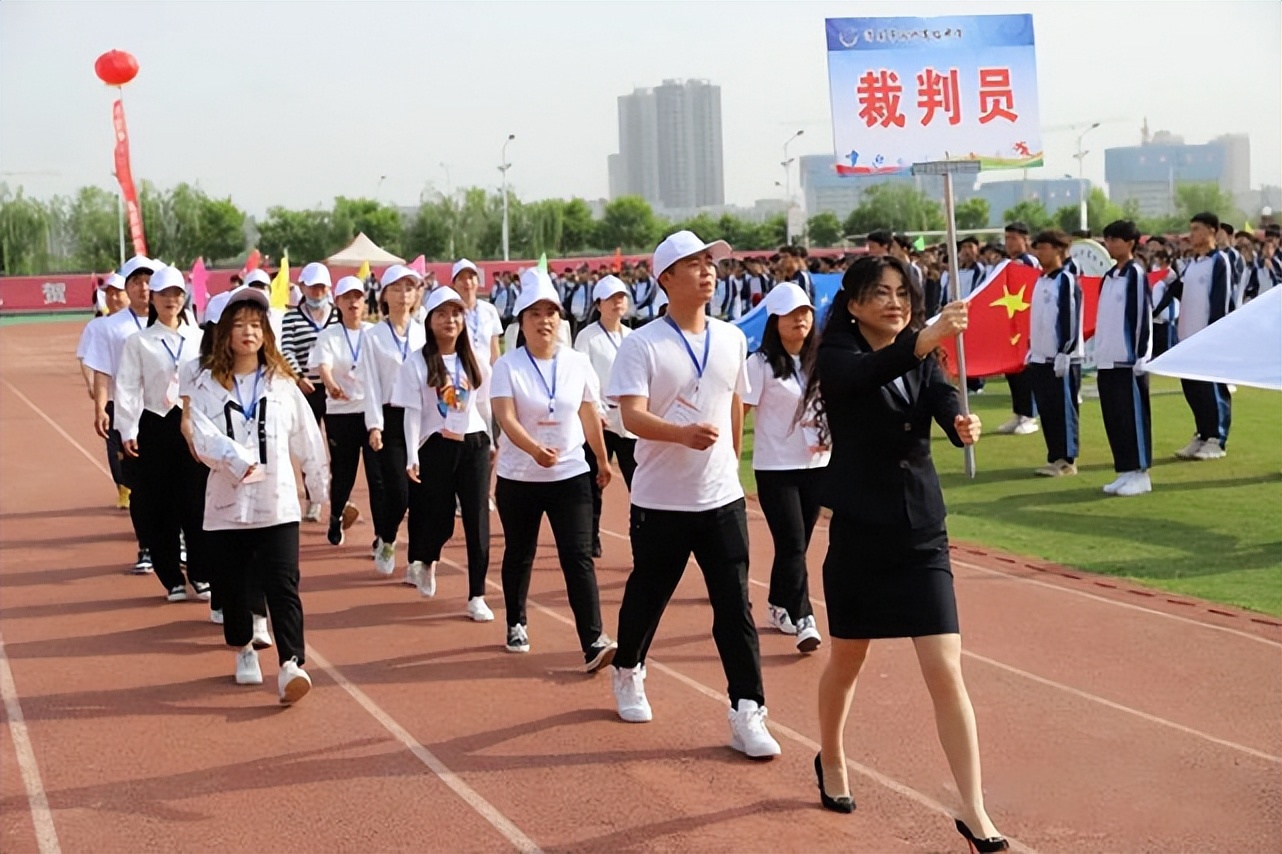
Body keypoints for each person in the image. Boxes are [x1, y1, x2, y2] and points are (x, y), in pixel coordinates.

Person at [802, 255, 1004, 853]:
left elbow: (940, 397)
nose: (895, 303)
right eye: (882, 293)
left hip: (921, 531)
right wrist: (925, 337)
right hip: (861, 531)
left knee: (945, 667)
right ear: (854, 303)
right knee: (848, 660)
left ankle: (973, 808)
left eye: (903, 294)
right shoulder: (838, 356)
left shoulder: (926, 354)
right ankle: (831, 756)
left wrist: (960, 423)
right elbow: (868, 377)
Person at [606, 230, 781, 759]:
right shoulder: (642, 344)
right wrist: (681, 435)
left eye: (711, 263)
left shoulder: (731, 338)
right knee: (649, 594)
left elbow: (735, 402)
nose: (708, 272)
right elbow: (631, 416)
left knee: (735, 606)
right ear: (666, 278)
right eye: (695, 264)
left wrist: (732, 459)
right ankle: (628, 668)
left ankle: (747, 710)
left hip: (721, 498)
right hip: (661, 500)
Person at [182, 287, 328, 704]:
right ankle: (244, 647)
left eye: (256, 325)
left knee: (283, 584)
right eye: (240, 325)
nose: (248, 332)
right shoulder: (205, 385)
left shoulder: (282, 385)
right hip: (227, 504)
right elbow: (198, 434)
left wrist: (318, 488)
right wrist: (235, 459)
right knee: (232, 584)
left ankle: (291, 664)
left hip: (276, 502)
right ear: (224, 333)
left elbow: (307, 437)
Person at [490, 269, 617, 671]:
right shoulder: (507, 366)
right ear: (521, 321)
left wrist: (601, 459)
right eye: (535, 314)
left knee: (578, 557)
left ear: (560, 320)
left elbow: (588, 413)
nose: (544, 321)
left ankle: (593, 640)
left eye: (551, 313)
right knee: (520, 552)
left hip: (570, 475)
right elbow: (506, 418)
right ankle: (516, 621)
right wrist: (533, 450)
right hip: (519, 477)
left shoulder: (577, 363)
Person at [395, 286, 495, 622]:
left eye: (455, 314)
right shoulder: (417, 362)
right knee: (438, 518)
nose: (450, 320)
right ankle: (427, 559)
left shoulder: (475, 358)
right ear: (430, 321)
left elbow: (484, 403)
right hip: (436, 445)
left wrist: (492, 440)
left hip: (473, 443)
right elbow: (412, 412)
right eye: (442, 314)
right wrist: (412, 454)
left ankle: (477, 594)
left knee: (477, 519)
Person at [742, 282, 828, 654]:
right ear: (774, 321)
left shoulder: (820, 360)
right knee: (792, 542)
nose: (800, 320)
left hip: (816, 463)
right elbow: (739, 411)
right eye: (791, 314)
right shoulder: (759, 364)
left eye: (805, 313)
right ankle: (804, 616)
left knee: (797, 543)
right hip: (775, 467)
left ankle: (779, 603)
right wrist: (728, 456)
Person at [114, 265, 208, 601]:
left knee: (197, 502)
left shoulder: (199, 338)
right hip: (155, 424)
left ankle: (200, 573)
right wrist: (128, 428)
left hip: (193, 424)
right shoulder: (139, 341)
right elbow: (127, 386)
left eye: (177, 294)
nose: (171, 300)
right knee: (160, 503)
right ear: (152, 298)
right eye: (164, 294)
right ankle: (171, 578)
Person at [83, 255, 156, 573]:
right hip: (127, 413)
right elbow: (102, 370)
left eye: (148, 281)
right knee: (138, 484)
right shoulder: (110, 327)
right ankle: (147, 546)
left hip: (165, 412)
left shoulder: (174, 321)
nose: (144, 288)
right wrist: (100, 407)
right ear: (127, 288)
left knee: (172, 480)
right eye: (136, 282)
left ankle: (177, 540)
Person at [364, 265, 428, 579]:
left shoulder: (424, 333)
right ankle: (387, 538)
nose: (404, 295)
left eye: (409, 288)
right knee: (399, 492)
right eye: (397, 288)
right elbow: (371, 383)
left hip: (422, 418)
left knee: (422, 495)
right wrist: (374, 425)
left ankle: (417, 561)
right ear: (385, 295)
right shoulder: (373, 337)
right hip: (391, 419)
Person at [1154, 212, 1234, 460]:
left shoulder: (1219, 261)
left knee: (1212, 388)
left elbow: (1220, 300)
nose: (1192, 234)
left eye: (1197, 229)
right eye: (1191, 229)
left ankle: (1217, 439)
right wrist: (1170, 283)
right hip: (1186, 336)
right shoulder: (1192, 263)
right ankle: (1202, 433)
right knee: (1193, 390)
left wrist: (1213, 334)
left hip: (1206, 338)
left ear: (1212, 231)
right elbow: (1183, 294)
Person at [310, 276, 384, 546]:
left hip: (371, 412)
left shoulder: (374, 333)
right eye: (347, 298)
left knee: (378, 476)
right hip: (340, 413)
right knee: (344, 473)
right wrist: (331, 385)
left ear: (365, 302)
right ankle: (336, 516)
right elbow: (324, 366)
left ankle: (381, 534)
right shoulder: (329, 335)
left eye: (358, 297)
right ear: (338, 302)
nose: (354, 302)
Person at [573, 276, 637, 558]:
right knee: (594, 482)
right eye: (611, 299)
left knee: (638, 483)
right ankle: (590, 537)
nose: (617, 303)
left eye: (621, 297)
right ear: (598, 304)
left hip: (628, 420)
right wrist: (596, 410)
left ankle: (640, 537)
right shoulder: (587, 337)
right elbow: (582, 377)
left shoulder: (632, 336)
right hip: (599, 420)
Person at [1096, 220, 1153, 497]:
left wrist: (1140, 354)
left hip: (1128, 360)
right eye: (1107, 239)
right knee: (1114, 418)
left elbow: (1141, 315)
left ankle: (1140, 473)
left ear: (1130, 243)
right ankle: (1125, 470)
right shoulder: (1109, 276)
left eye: (1115, 239)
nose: (1109, 244)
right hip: (1107, 357)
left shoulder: (1135, 274)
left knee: (1132, 417)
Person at [280, 262, 341, 522]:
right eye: (313, 287)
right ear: (303, 287)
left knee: (339, 445)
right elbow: (287, 350)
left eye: (322, 288)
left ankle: (339, 497)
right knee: (309, 445)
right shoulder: (292, 317)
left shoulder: (337, 315)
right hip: (307, 388)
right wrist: (299, 377)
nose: (317, 292)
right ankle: (313, 498)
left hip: (335, 389)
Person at [1025, 230, 1084, 477]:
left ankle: (1067, 460)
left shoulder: (1065, 280)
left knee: (1063, 409)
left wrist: (1065, 351)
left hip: (1062, 358)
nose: (1039, 253)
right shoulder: (1040, 281)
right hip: (1040, 356)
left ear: (1058, 250)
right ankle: (1054, 456)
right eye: (1037, 248)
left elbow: (1069, 316)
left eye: (1044, 248)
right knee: (1047, 410)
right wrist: (1032, 348)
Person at [77, 273, 132, 509]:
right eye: (109, 293)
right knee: (114, 446)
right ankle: (123, 488)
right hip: (111, 397)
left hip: (139, 399)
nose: (114, 298)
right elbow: (85, 357)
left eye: (118, 293)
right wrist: (91, 384)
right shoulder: (97, 326)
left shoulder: (144, 322)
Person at [994, 222, 1040, 436]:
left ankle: (1030, 415)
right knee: (1012, 370)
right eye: (1007, 238)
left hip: (1025, 324)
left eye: (1013, 238)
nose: (1009, 243)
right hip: (1011, 324)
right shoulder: (1008, 264)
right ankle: (1019, 412)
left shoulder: (1029, 262)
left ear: (1025, 240)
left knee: (1025, 371)